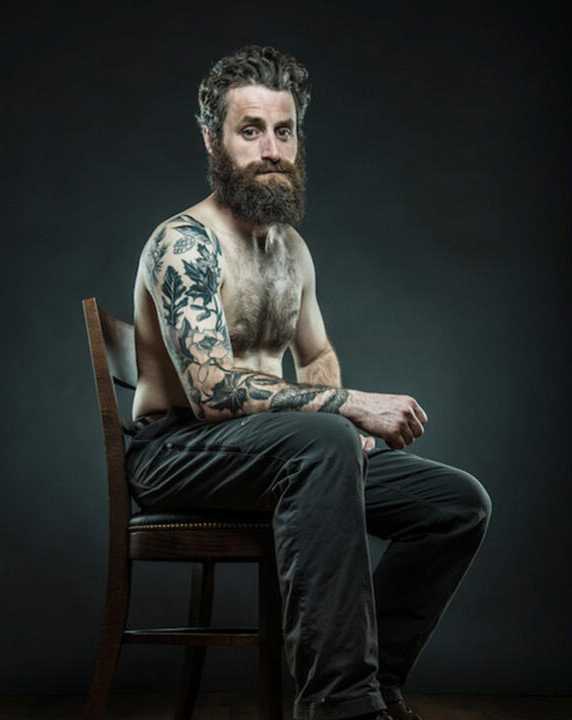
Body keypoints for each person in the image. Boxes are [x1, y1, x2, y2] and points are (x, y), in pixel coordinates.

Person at [128, 45, 489, 720]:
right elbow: (208, 392)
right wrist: (348, 411)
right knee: (322, 439)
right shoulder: (185, 242)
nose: (271, 149)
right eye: (250, 130)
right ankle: (342, 706)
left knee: (456, 504)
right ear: (212, 138)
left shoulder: (291, 250)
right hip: (177, 452)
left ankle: (375, 679)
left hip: (284, 450)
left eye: (284, 131)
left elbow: (317, 357)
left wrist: (348, 429)